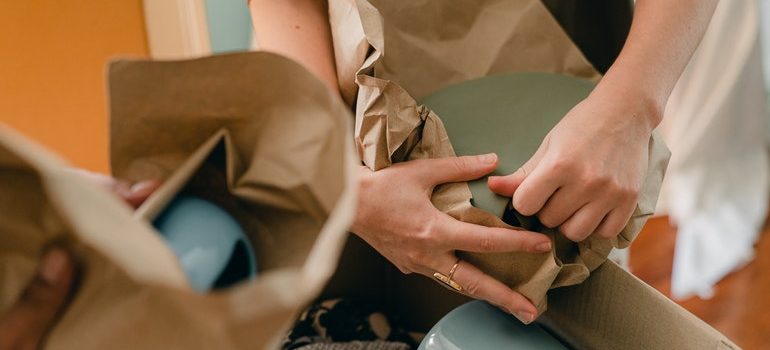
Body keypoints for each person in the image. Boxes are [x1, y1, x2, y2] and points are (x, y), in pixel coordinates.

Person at [249, 0, 717, 322]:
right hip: (348, 124)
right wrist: (341, 183)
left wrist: (631, 108)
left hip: (588, 112)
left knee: (584, 307)